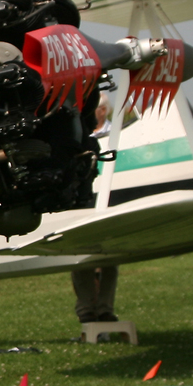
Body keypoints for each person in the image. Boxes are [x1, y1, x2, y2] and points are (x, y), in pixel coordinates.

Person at [73, 96, 120, 331]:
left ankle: (103, 309)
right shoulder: (74, 137)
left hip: (90, 200)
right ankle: (88, 310)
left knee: (108, 257)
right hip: (74, 203)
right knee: (81, 257)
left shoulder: (89, 141)